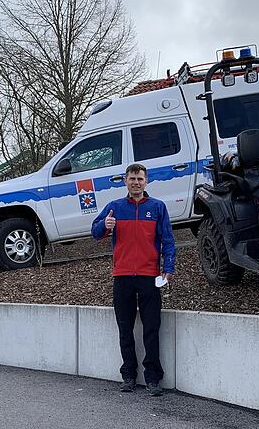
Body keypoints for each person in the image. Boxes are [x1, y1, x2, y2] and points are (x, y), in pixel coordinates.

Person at [91, 163, 175, 397]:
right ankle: (128, 375)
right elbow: (95, 231)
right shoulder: (114, 208)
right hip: (122, 276)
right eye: (132, 179)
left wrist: (168, 267)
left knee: (152, 329)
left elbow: (168, 241)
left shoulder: (158, 208)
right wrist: (105, 226)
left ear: (146, 181)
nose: (136, 183)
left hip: (149, 276)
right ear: (125, 181)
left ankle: (153, 378)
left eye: (140, 179)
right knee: (125, 329)